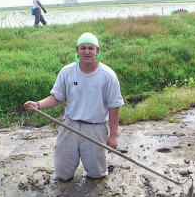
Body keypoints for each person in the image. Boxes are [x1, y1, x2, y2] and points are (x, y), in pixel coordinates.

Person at [24, 32, 124, 183]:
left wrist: (113, 135)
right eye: (82, 48)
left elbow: (114, 106)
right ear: (77, 51)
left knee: (97, 175)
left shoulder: (108, 75)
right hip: (69, 125)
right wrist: (38, 104)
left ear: (97, 51)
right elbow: (56, 97)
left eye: (91, 48)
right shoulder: (67, 72)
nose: (87, 52)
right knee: (62, 174)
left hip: (95, 128)